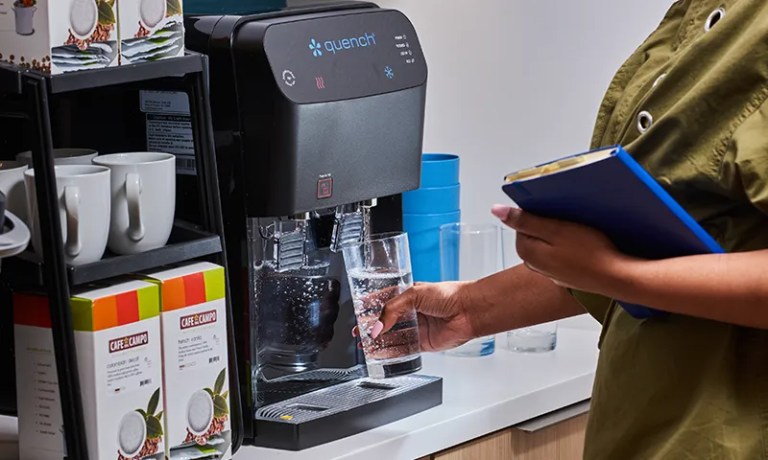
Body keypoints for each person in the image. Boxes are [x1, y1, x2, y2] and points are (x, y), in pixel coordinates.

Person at [370, 1, 768, 458]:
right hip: (648, 424)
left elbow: (623, 267)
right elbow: (668, 242)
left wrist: (616, 274)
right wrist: (470, 309)